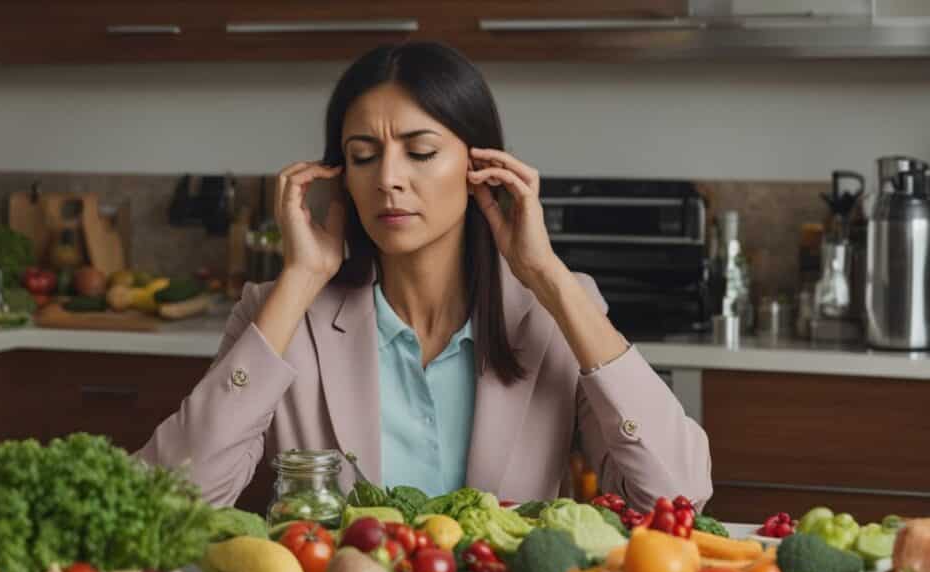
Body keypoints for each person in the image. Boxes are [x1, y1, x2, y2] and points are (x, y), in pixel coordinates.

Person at [137, 41, 711, 512]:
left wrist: (551, 280)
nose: (388, 178)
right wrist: (298, 282)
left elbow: (677, 494)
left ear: (479, 166)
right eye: (363, 156)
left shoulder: (555, 311)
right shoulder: (281, 313)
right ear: (340, 176)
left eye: (420, 151)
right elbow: (169, 502)